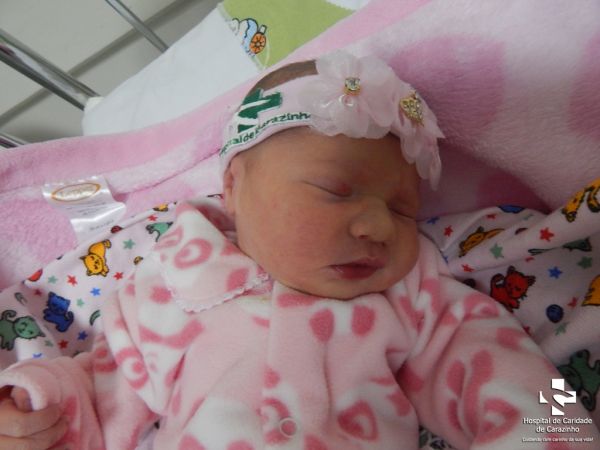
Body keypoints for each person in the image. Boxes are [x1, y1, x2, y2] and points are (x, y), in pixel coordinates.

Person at [0, 50, 597, 450]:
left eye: (402, 209)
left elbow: (505, 373)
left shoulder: (412, 294)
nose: (377, 226)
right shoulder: (172, 282)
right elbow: (106, 392)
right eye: (336, 191)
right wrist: (38, 403)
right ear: (234, 188)